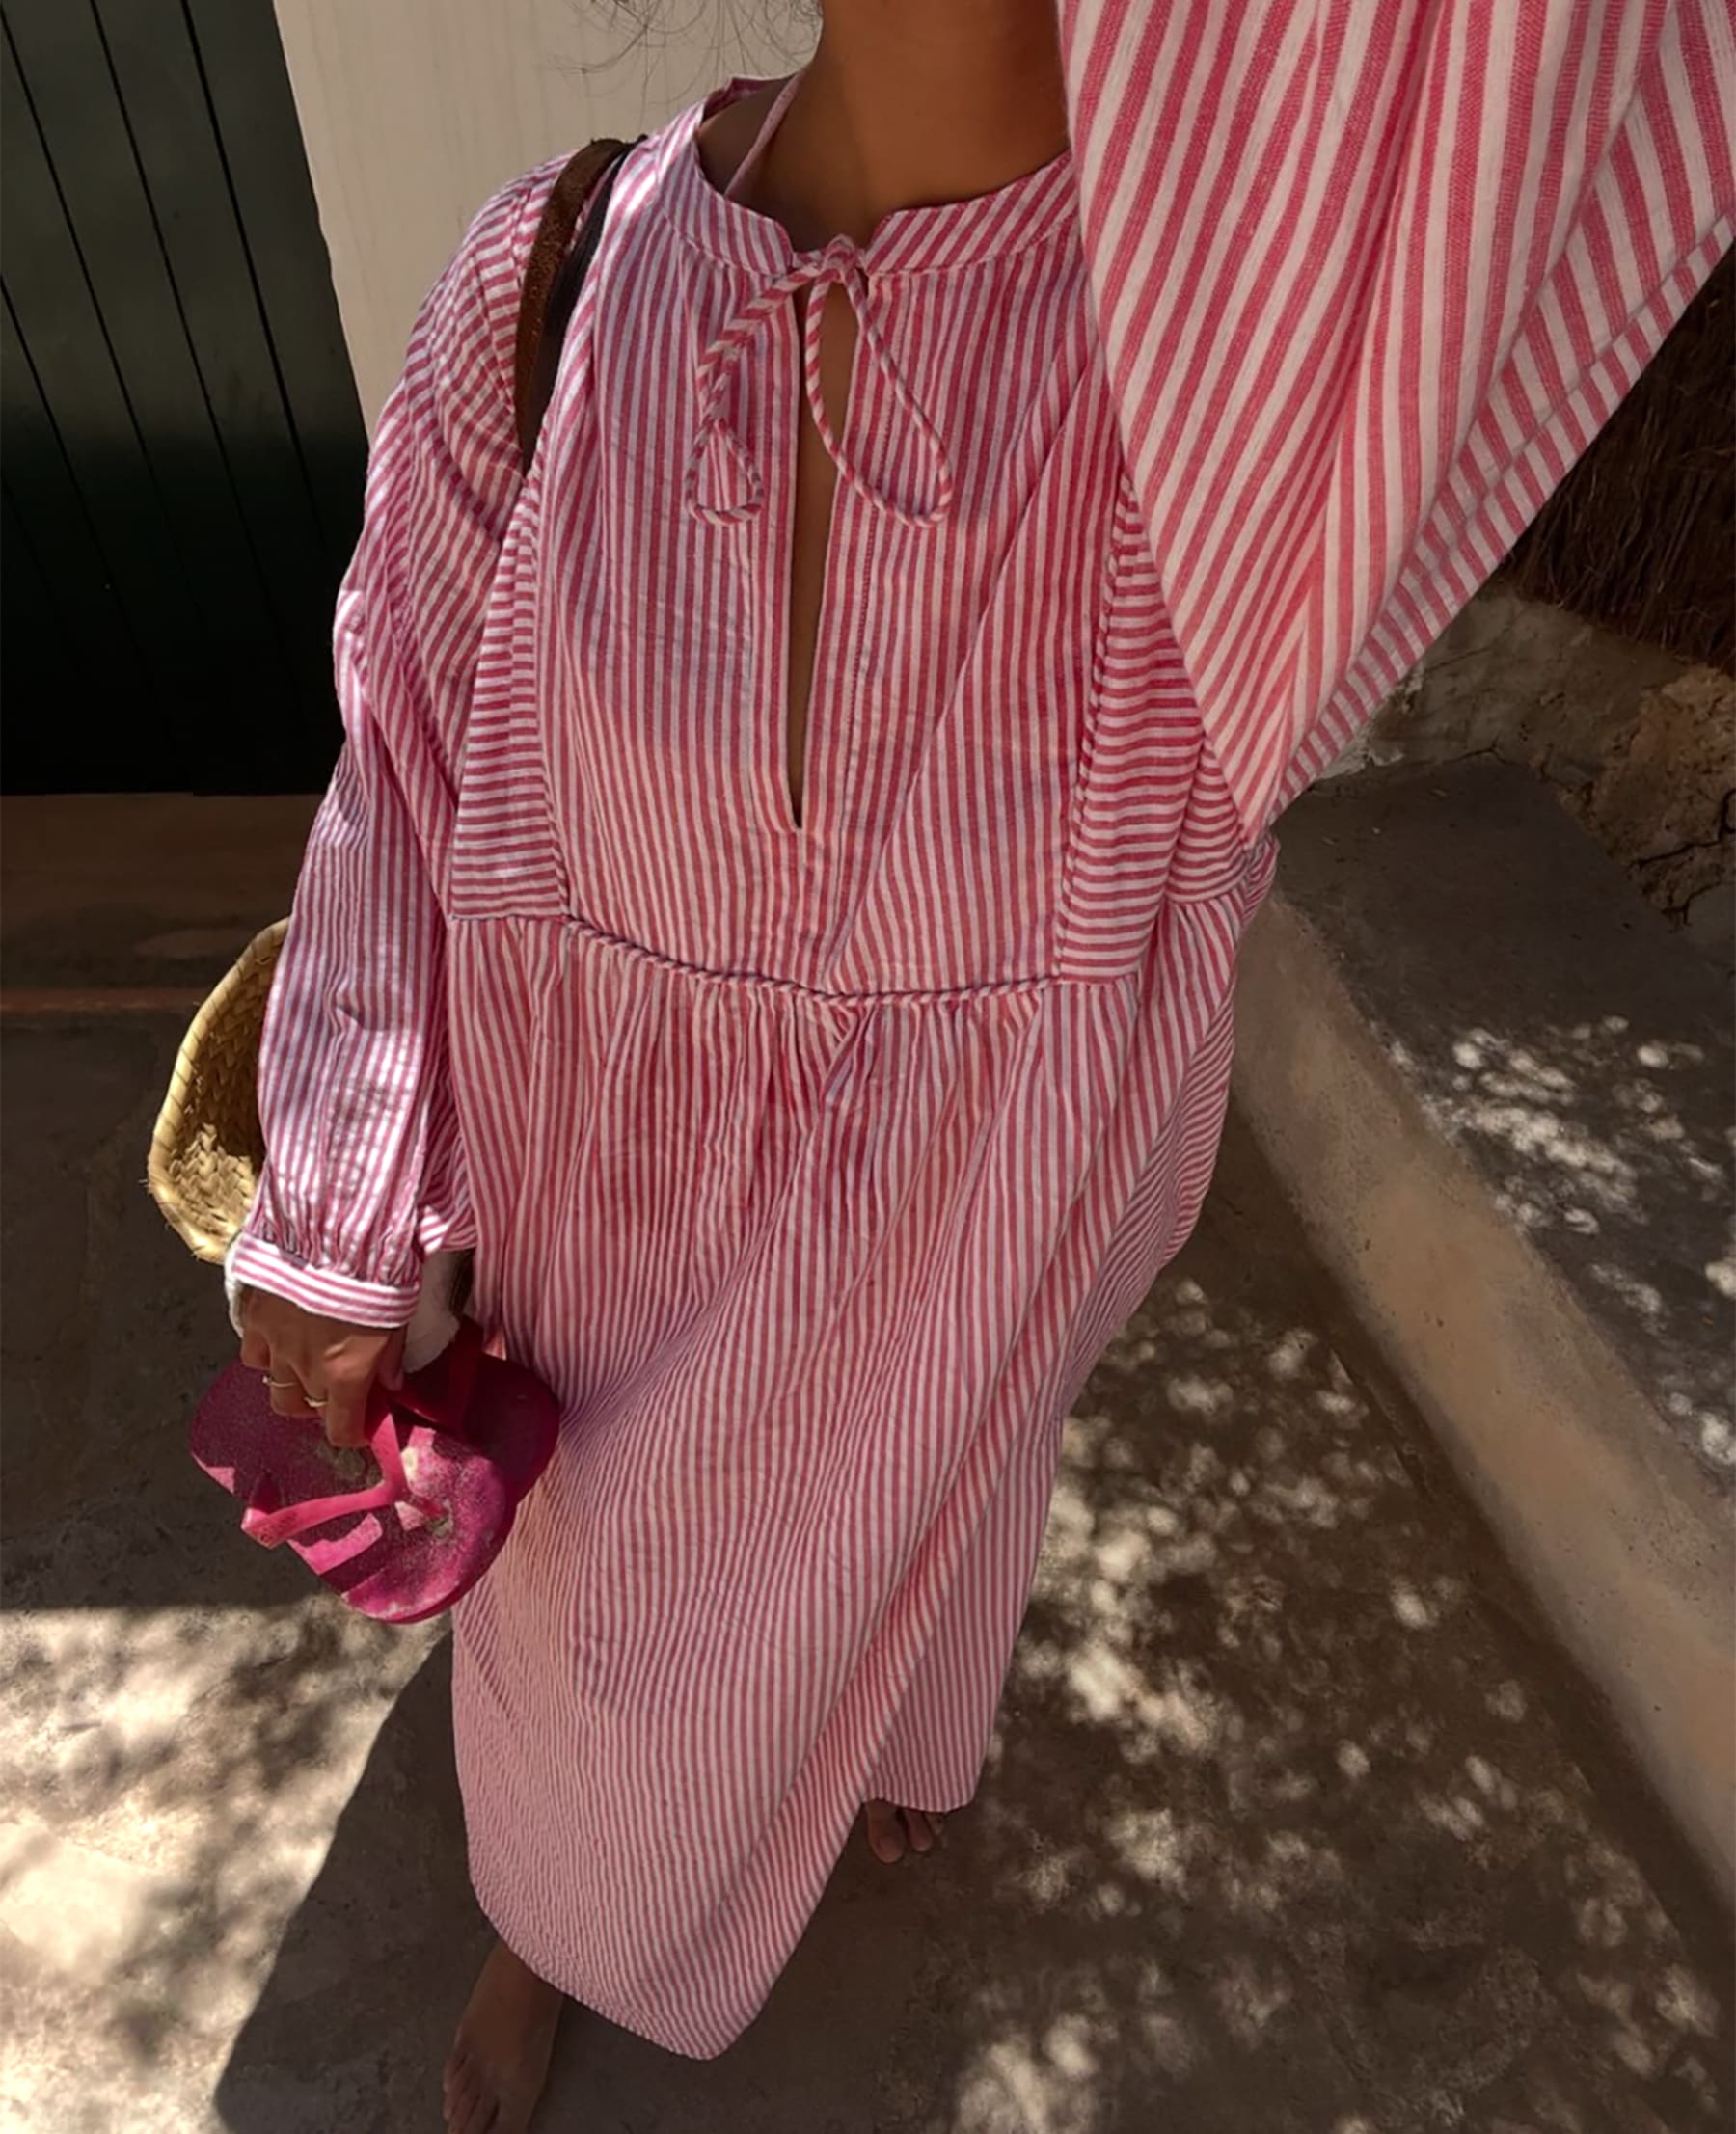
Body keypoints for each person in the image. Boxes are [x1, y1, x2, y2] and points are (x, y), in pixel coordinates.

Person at [231, 4, 1733, 2128]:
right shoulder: (547, 276)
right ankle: (562, 1918)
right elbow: (407, 749)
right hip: (600, 1198)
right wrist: (341, 1198)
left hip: (972, 1220)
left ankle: (869, 1738)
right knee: (593, 1610)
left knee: (928, 1532)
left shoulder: (1262, 406)